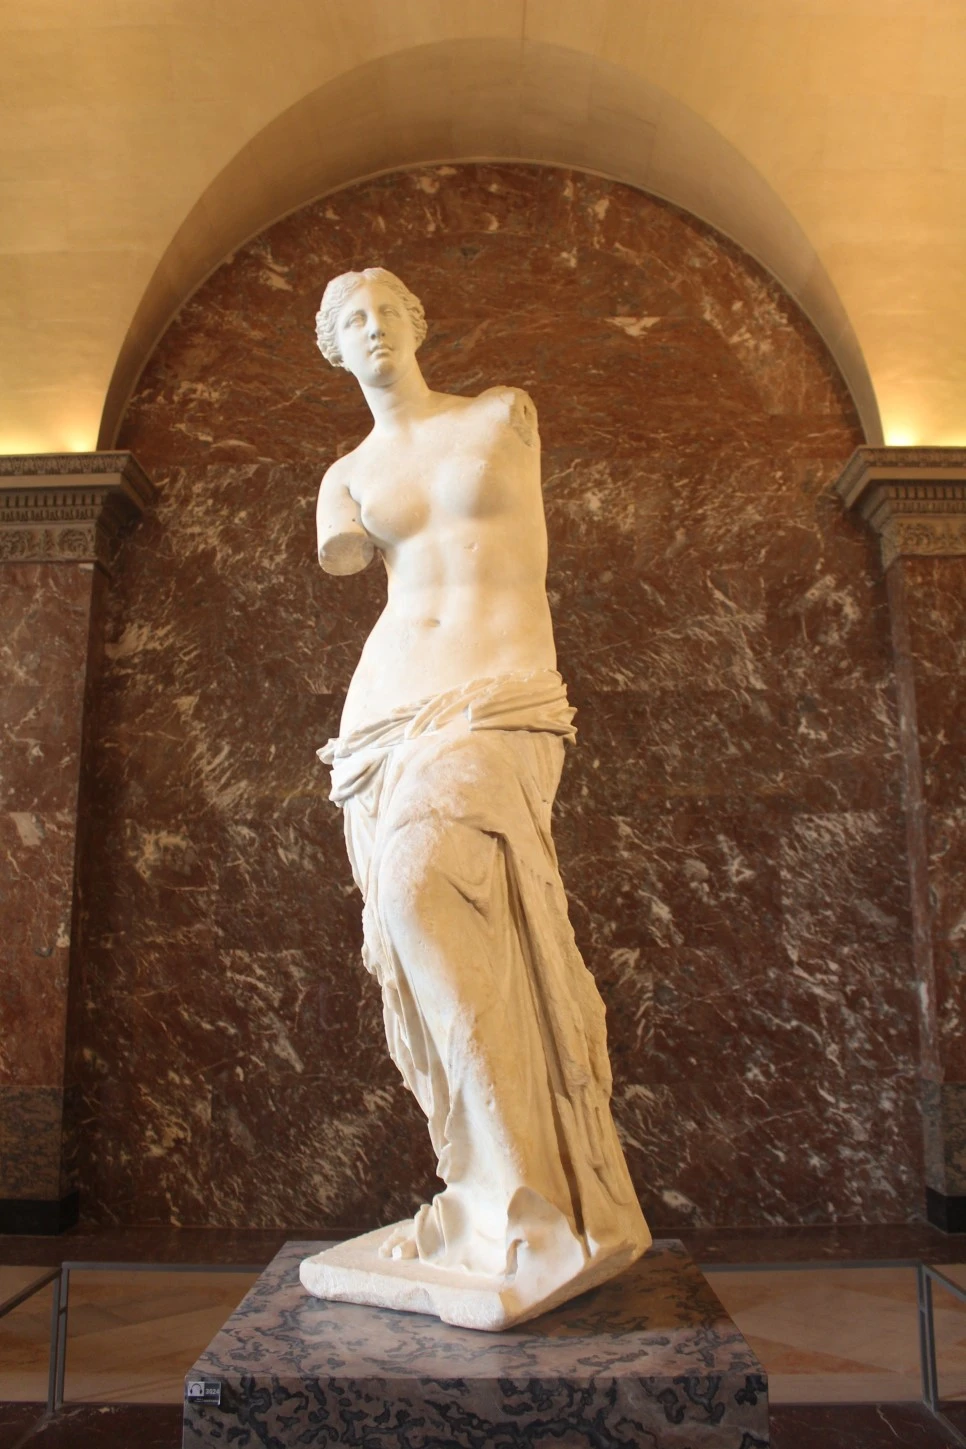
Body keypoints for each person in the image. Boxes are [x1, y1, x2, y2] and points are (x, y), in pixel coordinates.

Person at [303, 266, 650, 1327]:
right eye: (350, 320)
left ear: (417, 322)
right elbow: (350, 561)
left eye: (386, 311)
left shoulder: (501, 417)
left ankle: (532, 1199)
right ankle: (496, 1188)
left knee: (419, 890)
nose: (372, 328)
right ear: (333, 347)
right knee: (421, 940)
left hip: (500, 700)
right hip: (386, 719)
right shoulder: (344, 479)